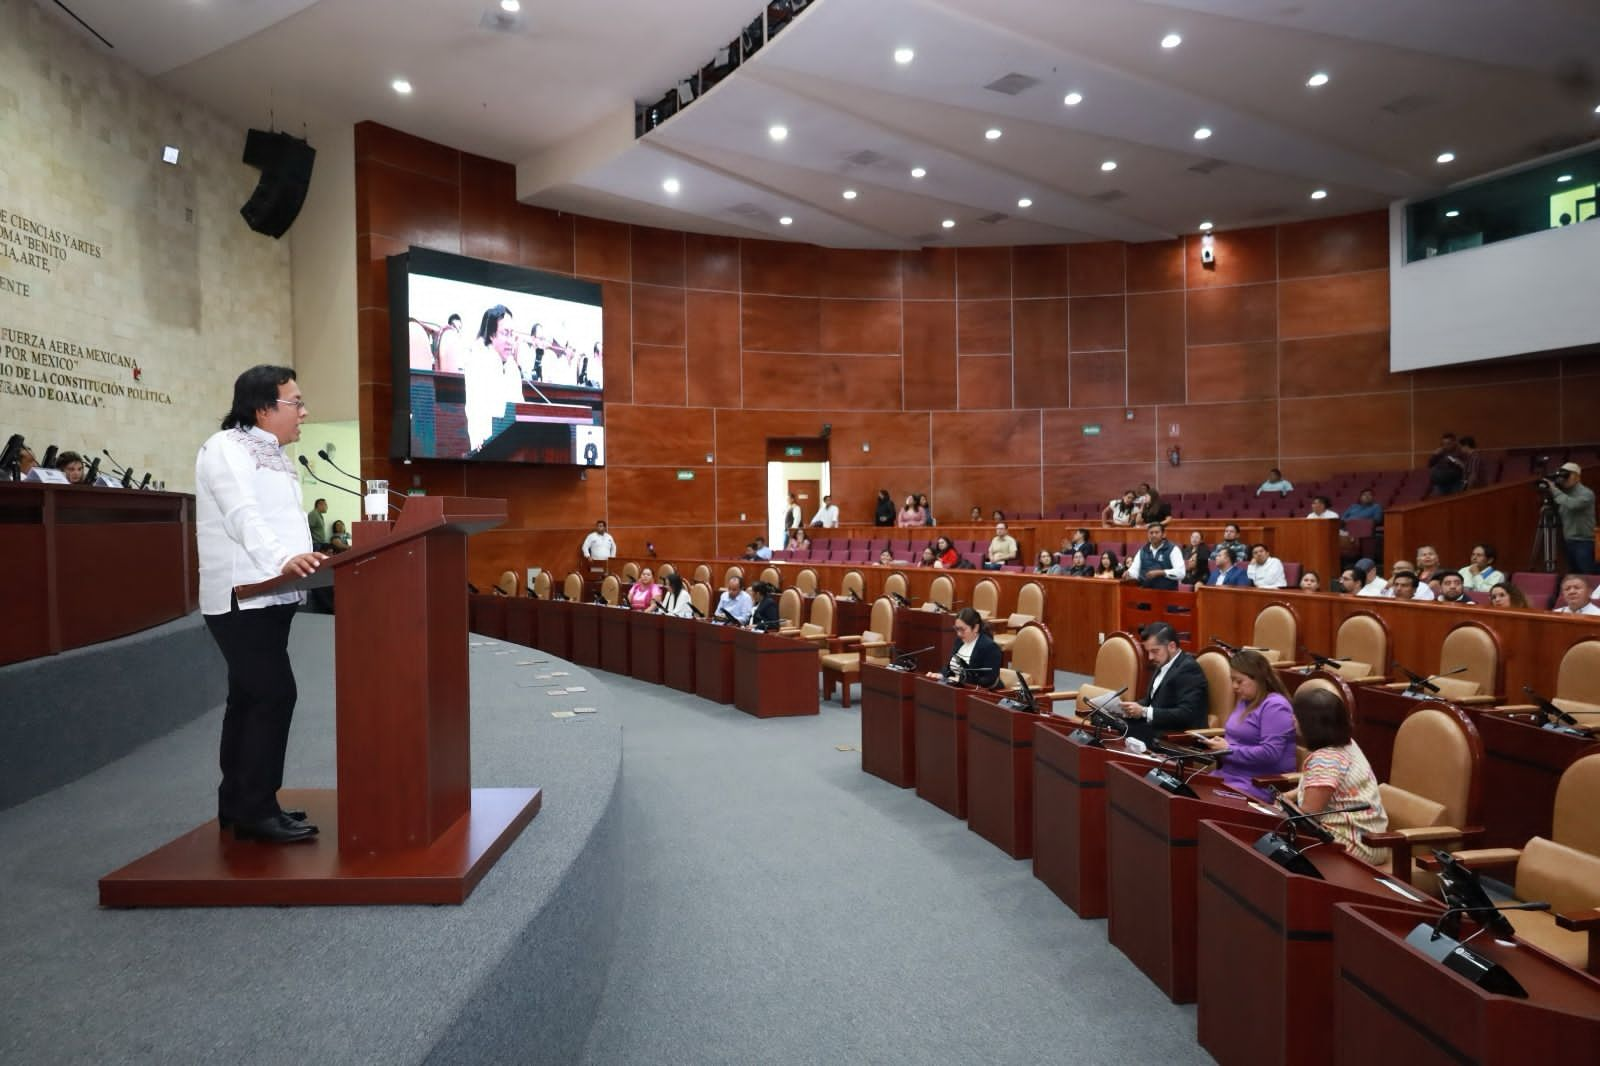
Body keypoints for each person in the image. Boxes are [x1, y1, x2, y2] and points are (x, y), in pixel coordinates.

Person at [196, 365, 325, 844]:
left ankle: (241, 804)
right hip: (240, 596)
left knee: (249, 698)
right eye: (296, 403)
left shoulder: (275, 454)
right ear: (262, 408)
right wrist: (284, 559)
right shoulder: (225, 448)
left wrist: (303, 562)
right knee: (273, 694)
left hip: (271, 596)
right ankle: (256, 809)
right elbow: (242, 516)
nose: (304, 412)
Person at [1290, 686, 1389, 865]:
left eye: (1297, 716)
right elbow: (1317, 788)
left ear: (1311, 724)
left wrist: (1276, 809)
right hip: (1370, 838)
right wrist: (1286, 797)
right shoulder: (1347, 744)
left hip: (1353, 844)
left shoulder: (1325, 759)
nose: (1293, 720)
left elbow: (1307, 817)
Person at [1190, 649, 1296, 802]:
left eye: (1239, 681)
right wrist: (1220, 746)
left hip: (1258, 783)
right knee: (1188, 791)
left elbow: (1270, 753)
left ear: (1258, 678)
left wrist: (1228, 750)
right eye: (1232, 680)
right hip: (1230, 775)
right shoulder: (1244, 701)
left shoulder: (1275, 706)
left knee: (1203, 804)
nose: (1234, 686)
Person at [1118, 622, 1209, 744]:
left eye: (1155, 651)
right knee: (1113, 724)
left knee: (1120, 734)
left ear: (1171, 646)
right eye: (1148, 652)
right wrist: (1131, 708)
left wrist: (1144, 711)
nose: (1150, 657)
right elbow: (1153, 701)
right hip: (1158, 728)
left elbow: (1186, 714)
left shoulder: (1188, 669)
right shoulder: (1164, 662)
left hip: (1177, 736)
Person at [464, 304, 527, 452]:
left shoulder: (512, 367)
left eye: (512, 334)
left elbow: (520, 408)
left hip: (513, 445)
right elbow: (475, 407)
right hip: (487, 445)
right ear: (492, 335)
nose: (510, 341)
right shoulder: (477, 361)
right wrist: (479, 438)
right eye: (505, 333)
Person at [926, 607, 1002, 689]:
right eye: (957, 629)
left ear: (976, 628)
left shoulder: (990, 647)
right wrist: (941, 675)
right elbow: (950, 667)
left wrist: (960, 680)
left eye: (962, 629)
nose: (959, 634)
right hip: (956, 688)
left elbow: (989, 680)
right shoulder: (959, 641)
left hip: (979, 694)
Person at [1544, 462, 1596, 574]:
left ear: (1577, 477)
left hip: (1584, 541)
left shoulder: (1586, 493)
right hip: (1569, 540)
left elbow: (1572, 504)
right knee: (1574, 574)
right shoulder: (1562, 494)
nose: (1564, 478)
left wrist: (1554, 490)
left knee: (1587, 574)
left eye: (1567, 475)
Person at [1125, 521, 1184, 590]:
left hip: (1168, 594)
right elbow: (1135, 570)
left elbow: (1181, 573)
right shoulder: (1142, 550)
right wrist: (1129, 573)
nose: (1153, 535)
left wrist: (1161, 573)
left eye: (1156, 532)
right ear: (1148, 535)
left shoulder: (1173, 549)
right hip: (1146, 593)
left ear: (1163, 534)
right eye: (1151, 533)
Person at [1425, 432, 1466, 497]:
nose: (1445, 446)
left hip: (1454, 483)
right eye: (1443, 444)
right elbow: (1429, 465)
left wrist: (1457, 462)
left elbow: (1465, 467)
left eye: (1448, 444)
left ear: (1454, 443)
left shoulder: (1461, 452)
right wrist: (1434, 455)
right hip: (1440, 484)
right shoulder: (1440, 452)